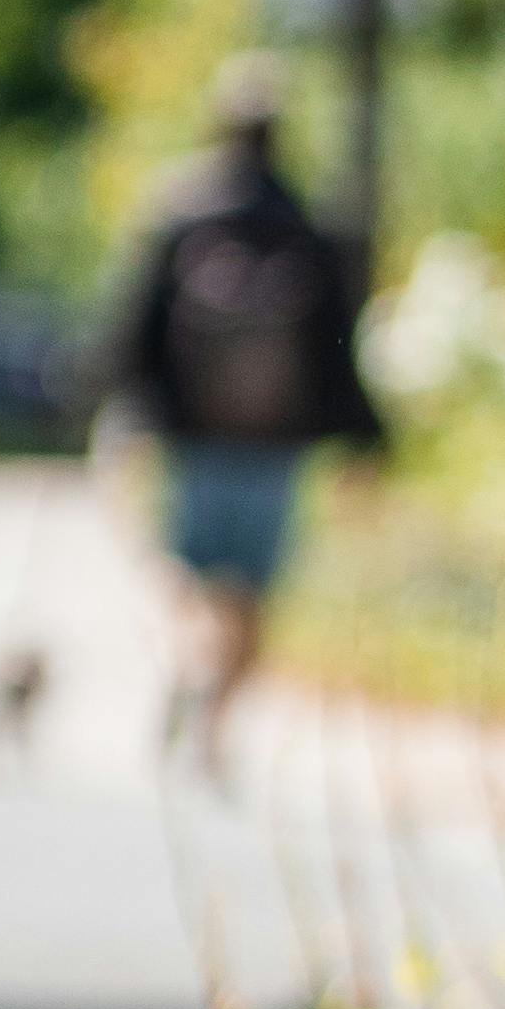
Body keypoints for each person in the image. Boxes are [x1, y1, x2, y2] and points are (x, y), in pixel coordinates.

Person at [98, 67, 381, 770]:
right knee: (253, 595)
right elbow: (340, 344)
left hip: (194, 438)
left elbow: (136, 328)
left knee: (188, 579)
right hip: (275, 448)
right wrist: (369, 437)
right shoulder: (306, 223)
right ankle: (215, 719)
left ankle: (189, 670)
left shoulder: (182, 212)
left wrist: (120, 409)